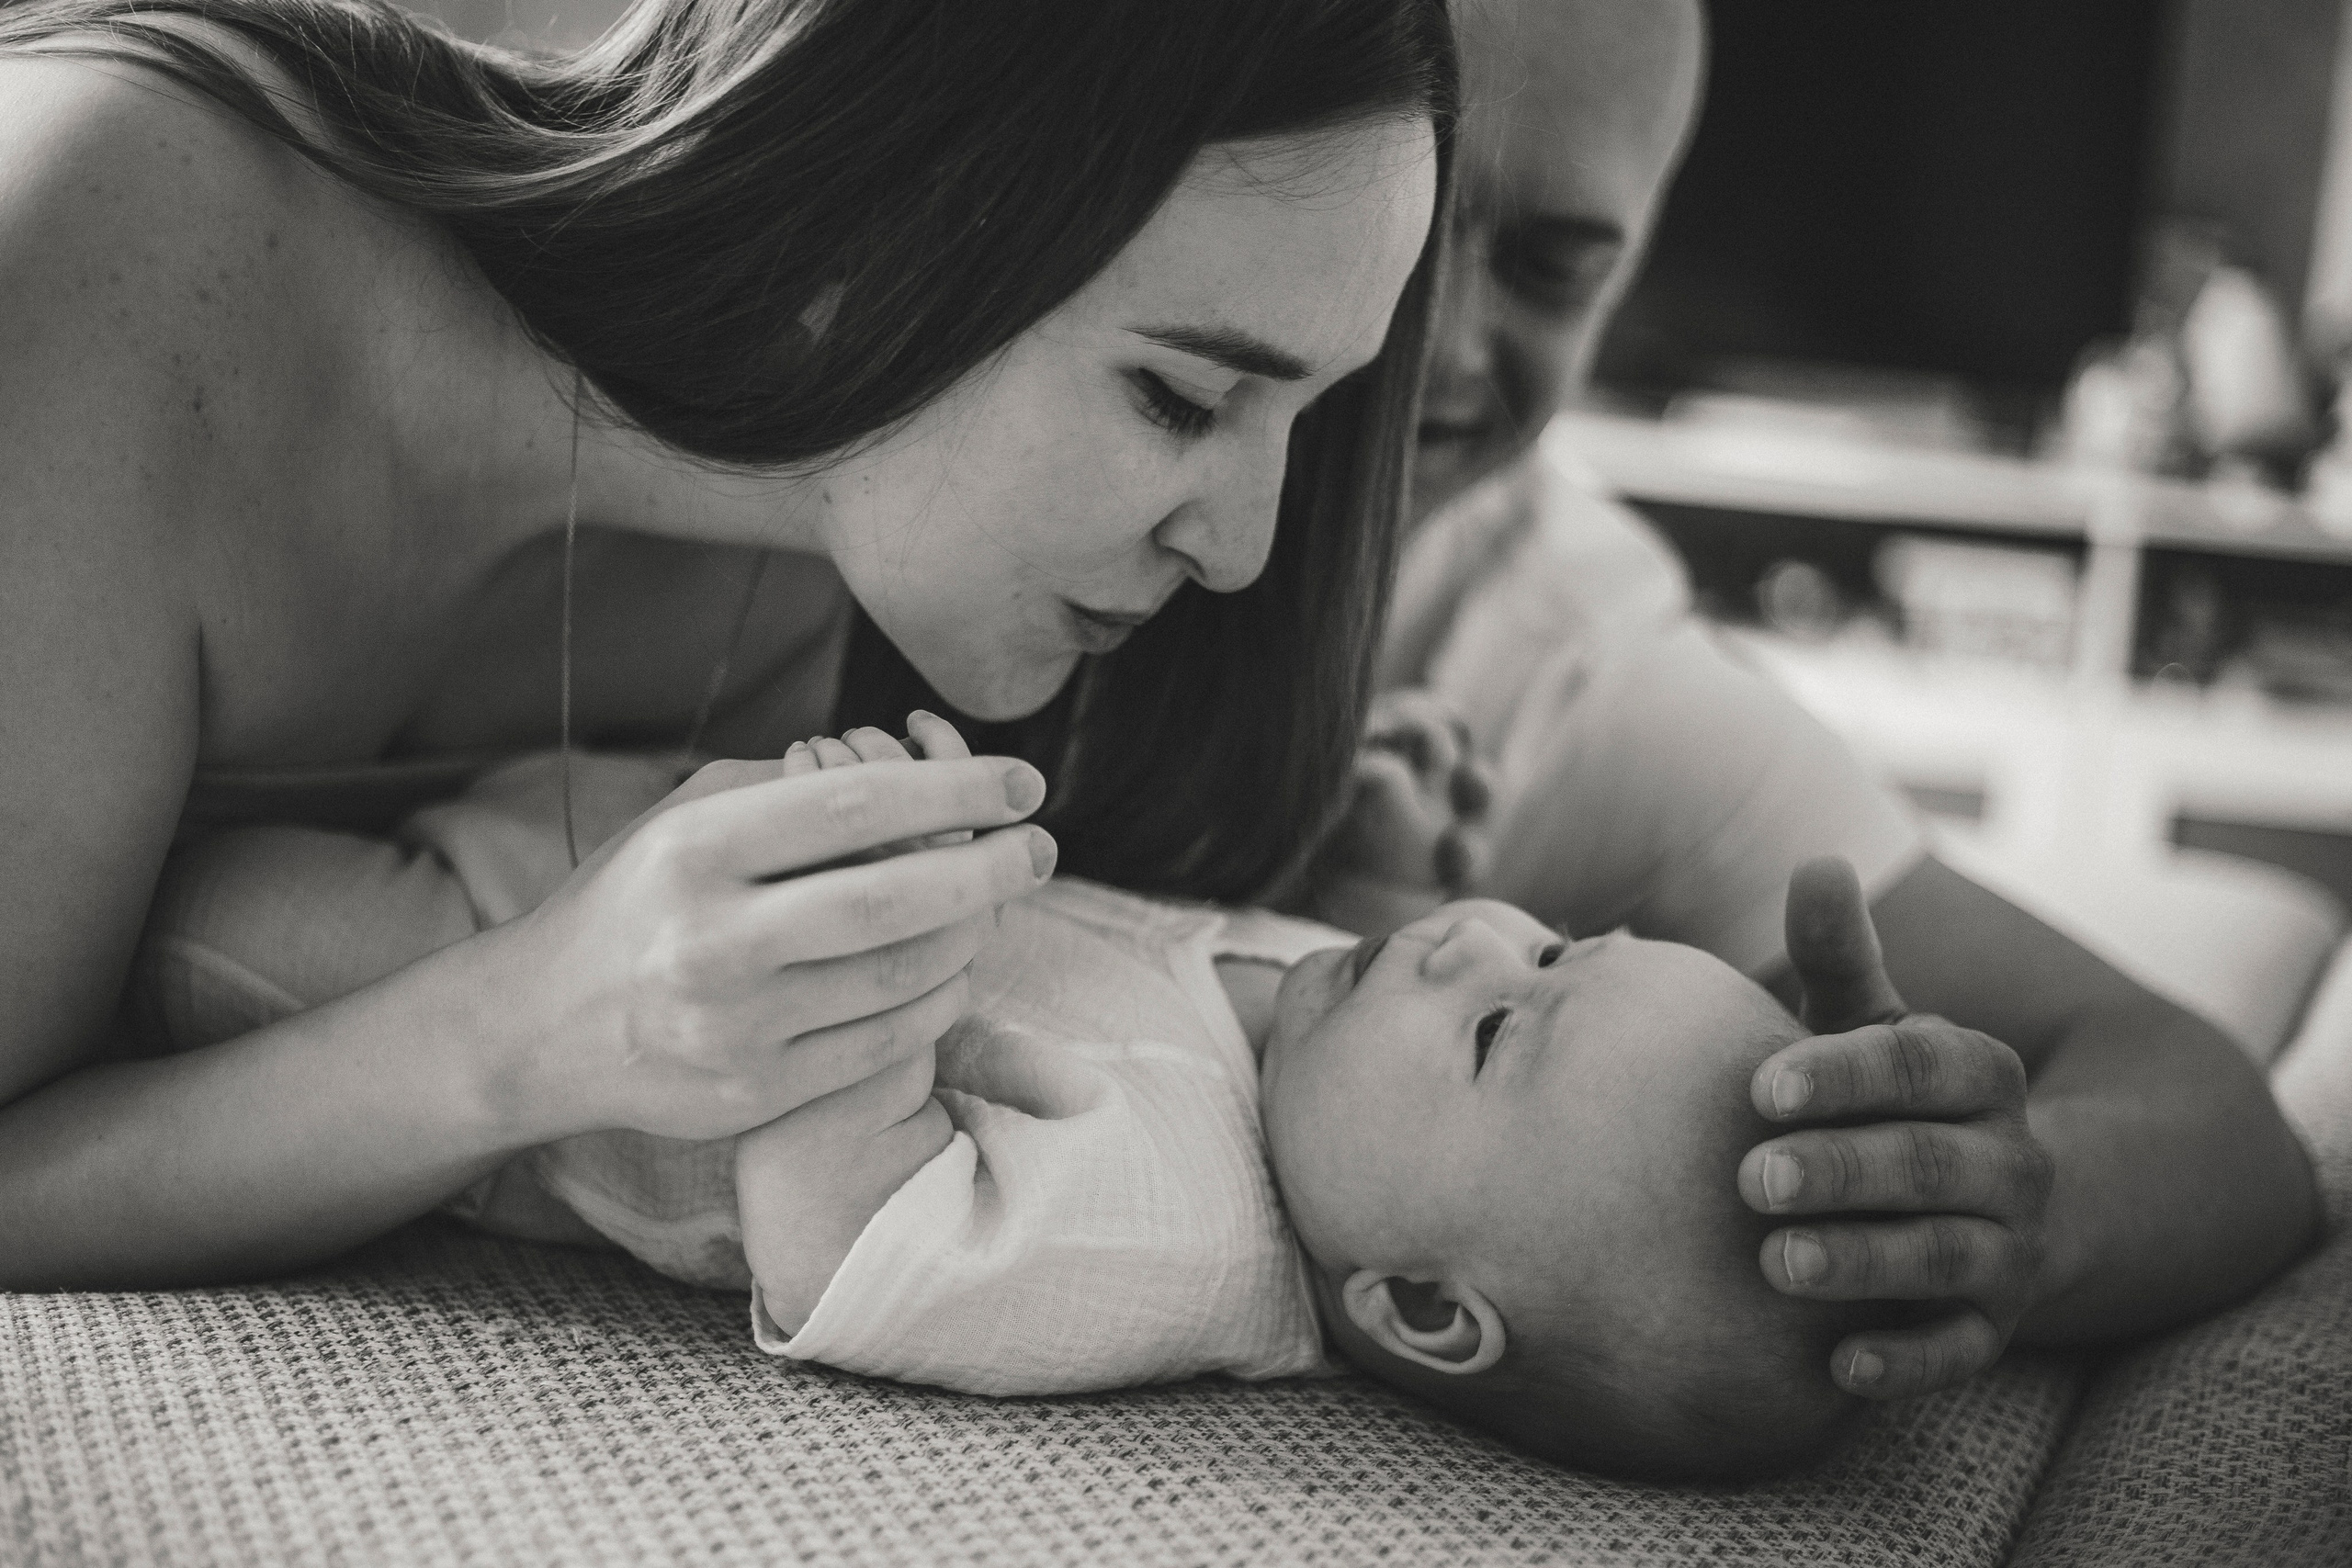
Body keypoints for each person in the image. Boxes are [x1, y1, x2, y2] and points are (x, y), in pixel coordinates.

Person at [0, 0, 1453, 1289]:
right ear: (870, 206)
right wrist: (527, 1031)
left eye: (1307, 416)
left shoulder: (878, 573)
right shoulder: (111, 238)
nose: (1245, 549)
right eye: (1183, 398)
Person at [134, 716, 2004, 1483]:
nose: (1472, 944)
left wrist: (880, 947)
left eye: (1503, 1028)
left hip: (469, 1008)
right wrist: (1374, 859)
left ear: (1420, 1308)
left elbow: (848, 1239)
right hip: (586, 848)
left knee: (171, 908)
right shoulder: (1344, 1063)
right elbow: (1326, 971)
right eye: (1554, 938)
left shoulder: (1167, 1233)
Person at [1310, 0, 2320, 1411]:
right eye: (1402, 221)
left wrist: (1971, 1210)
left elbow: (2218, 1123)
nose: (1451, 343)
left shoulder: (1566, 664)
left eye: (1552, 269)